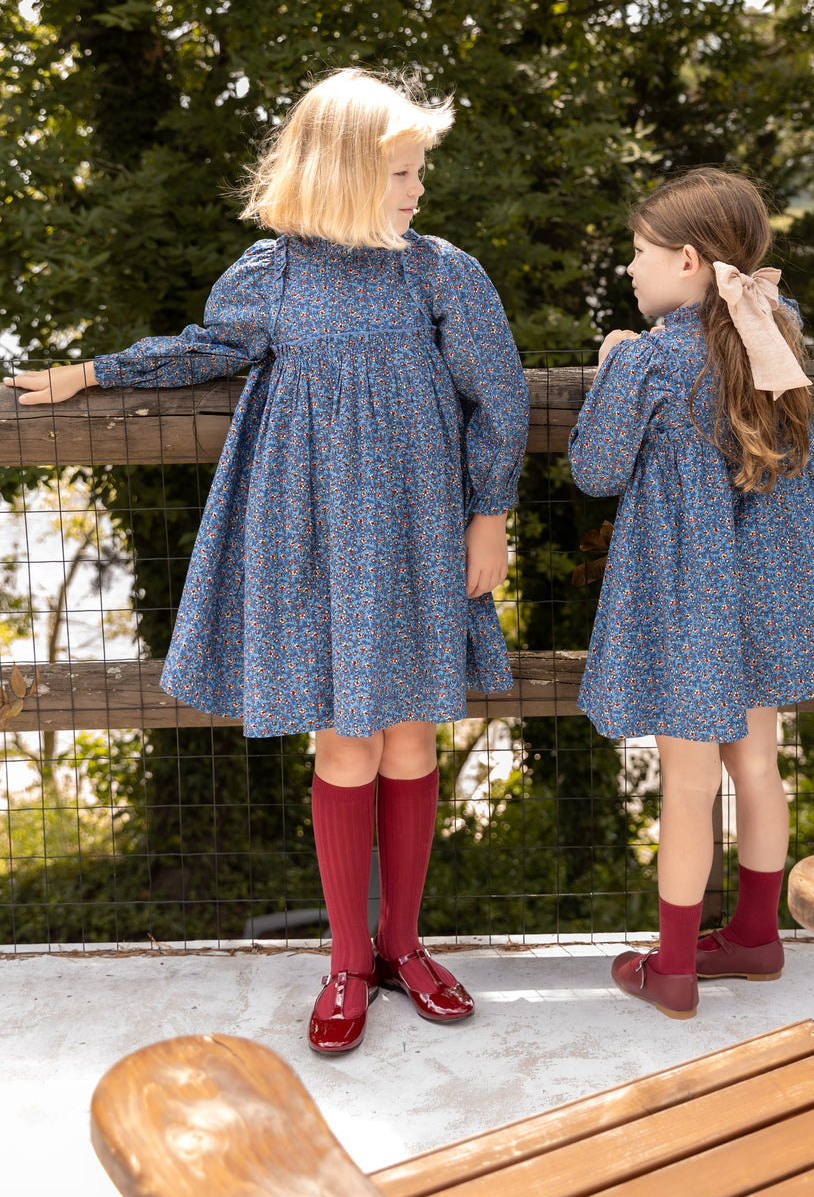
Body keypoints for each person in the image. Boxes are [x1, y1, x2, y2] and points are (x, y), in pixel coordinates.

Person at [7, 67, 530, 1054]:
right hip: (324, 544)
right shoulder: (272, 276)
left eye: (419, 171)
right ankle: (345, 960)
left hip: (421, 534)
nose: (418, 189)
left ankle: (404, 946)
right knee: (346, 747)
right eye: (401, 173)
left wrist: (491, 515)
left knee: (412, 742)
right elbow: (204, 348)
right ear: (339, 173)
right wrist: (92, 371)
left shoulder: (440, 273)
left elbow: (496, 396)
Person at [568, 167, 814, 1020]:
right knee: (755, 762)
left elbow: (594, 470)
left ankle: (672, 966)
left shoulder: (653, 360)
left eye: (637, 255)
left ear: (684, 260)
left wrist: (615, 366)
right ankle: (755, 936)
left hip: (689, 599)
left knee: (685, 782)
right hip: (768, 595)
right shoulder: (772, 333)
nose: (629, 271)